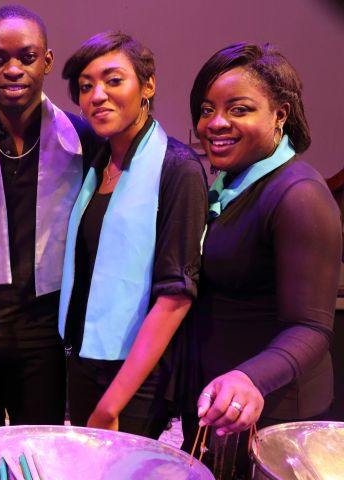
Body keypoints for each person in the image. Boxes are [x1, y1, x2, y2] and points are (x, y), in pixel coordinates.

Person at [0, 5, 102, 429]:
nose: (13, 70)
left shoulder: (83, 140)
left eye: (27, 57)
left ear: (47, 61)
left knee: (40, 450)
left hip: (45, 338)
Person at [182, 42, 342, 478]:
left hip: (273, 412)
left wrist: (249, 378)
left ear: (280, 115)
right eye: (207, 109)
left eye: (239, 109)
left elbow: (311, 329)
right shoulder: (230, 183)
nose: (215, 123)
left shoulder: (299, 195)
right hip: (222, 403)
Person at [58, 32, 208, 438]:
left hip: (135, 378)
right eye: (85, 86)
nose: (97, 96)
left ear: (148, 86)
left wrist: (112, 404)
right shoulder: (97, 165)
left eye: (113, 80)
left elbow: (175, 297)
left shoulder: (178, 168)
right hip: (85, 361)